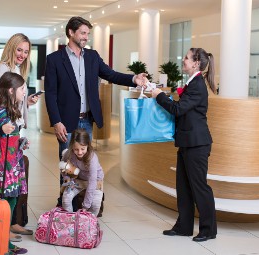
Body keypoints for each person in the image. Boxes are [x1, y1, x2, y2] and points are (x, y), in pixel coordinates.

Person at [44, 16, 147, 206]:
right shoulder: (55, 60)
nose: (86, 37)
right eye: (83, 33)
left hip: (86, 120)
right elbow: (50, 94)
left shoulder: (92, 57)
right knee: (67, 164)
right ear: (71, 32)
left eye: (87, 34)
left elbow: (111, 74)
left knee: (85, 164)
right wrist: (56, 121)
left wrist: (134, 79)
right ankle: (64, 203)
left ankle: (83, 202)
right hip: (65, 122)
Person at [151, 48, 217, 242]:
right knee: (184, 187)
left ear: (196, 63)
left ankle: (208, 230)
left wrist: (159, 95)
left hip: (197, 144)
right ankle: (184, 226)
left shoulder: (197, 85)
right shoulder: (192, 83)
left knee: (199, 188)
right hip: (188, 142)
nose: (183, 60)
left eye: (186, 58)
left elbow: (178, 109)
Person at [0, 33, 37, 241]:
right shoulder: (3, 68)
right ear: (11, 48)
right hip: (2, 129)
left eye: (26, 51)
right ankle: (2, 226)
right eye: (19, 50)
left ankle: (12, 222)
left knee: (13, 185)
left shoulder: (17, 69)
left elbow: (15, 99)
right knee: (3, 185)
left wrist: (27, 102)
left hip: (13, 129)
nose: (23, 55)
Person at [0, 72, 29, 255]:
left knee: (12, 201)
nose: (25, 92)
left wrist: (22, 142)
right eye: (22, 89)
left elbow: (12, 138)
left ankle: (4, 240)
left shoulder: (13, 111)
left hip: (13, 166)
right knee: (4, 206)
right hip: (3, 169)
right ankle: (3, 244)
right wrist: (1, 129)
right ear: (11, 91)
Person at [61, 129, 104, 216]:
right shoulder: (68, 153)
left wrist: (85, 206)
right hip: (78, 180)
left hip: (95, 181)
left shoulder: (92, 158)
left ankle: (89, 223)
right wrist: (67, 178)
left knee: (95, 205)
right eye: (76, 149)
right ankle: (70, 221)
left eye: (82, 149)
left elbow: (92, 182)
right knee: (66, 199)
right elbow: (62, 166)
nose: (79, 152)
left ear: (88, 145)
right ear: (72, 146)